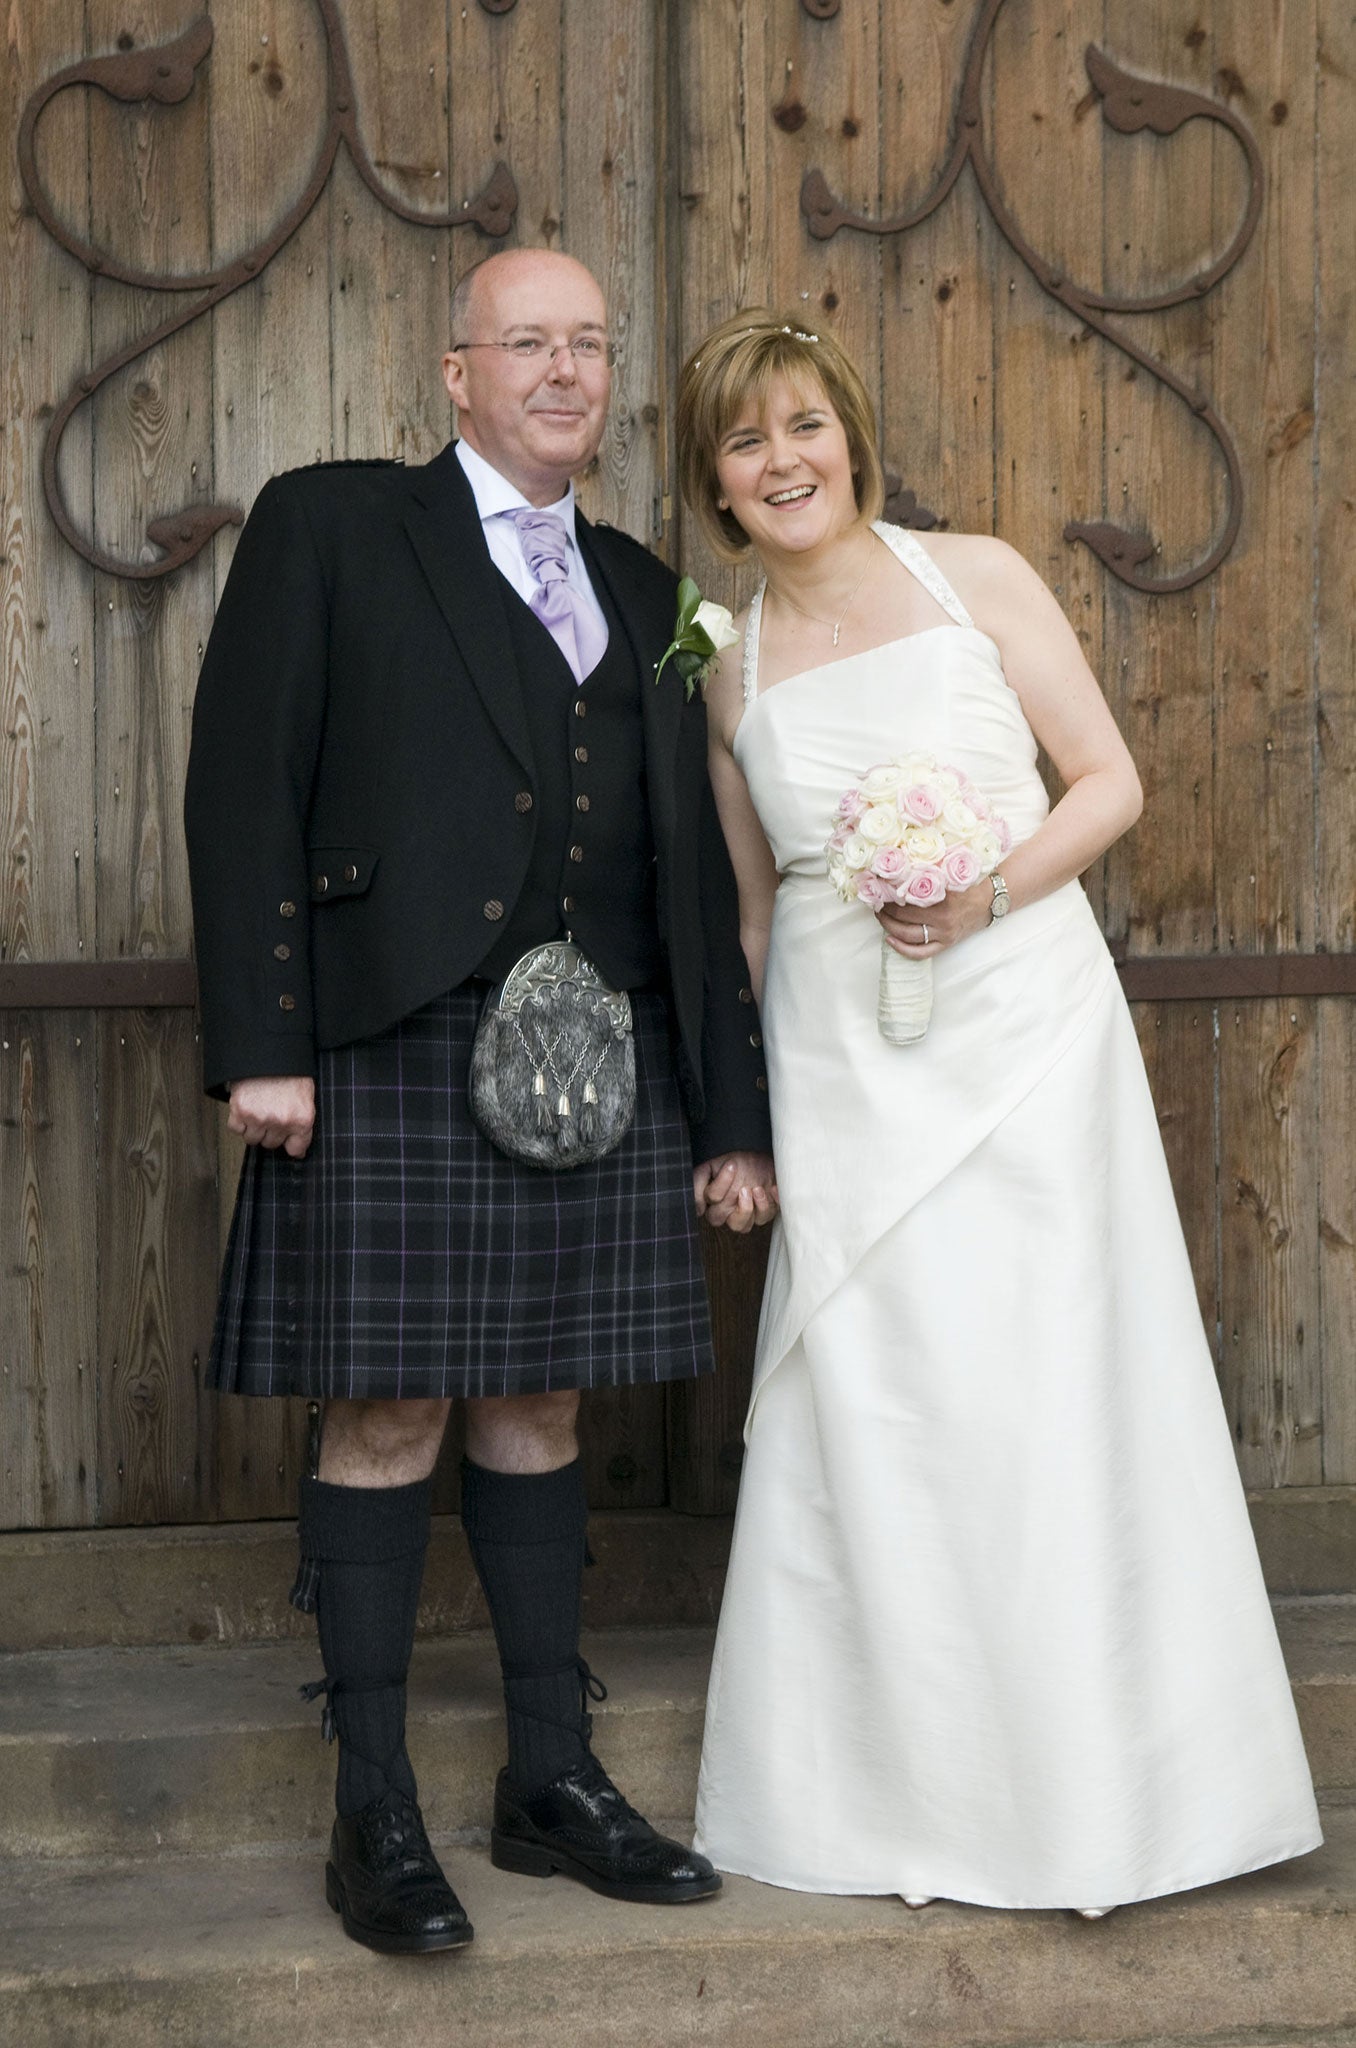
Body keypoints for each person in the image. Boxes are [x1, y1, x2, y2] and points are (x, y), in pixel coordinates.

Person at [675, 310, 1321, 1914]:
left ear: (852, 436)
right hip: (842, 1058)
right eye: (749, 443)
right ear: (716, 484)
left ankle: (1103, 1794)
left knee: (1045, 1385)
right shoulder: (729, 665)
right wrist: (744, 1115)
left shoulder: (981, 577)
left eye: (807, 426)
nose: (785, 461)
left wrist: (980, 896)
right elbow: (755, 915)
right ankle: (894, 1788)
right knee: (883, 1404)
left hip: (1026, 1032)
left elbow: (1107, 783)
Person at [183, 250, 776, 1956]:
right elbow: (245, 785)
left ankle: (549, 1777)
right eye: (529, 342)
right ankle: (373, 1805)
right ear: (457, 372)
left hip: (603, 1069)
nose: (565, 370)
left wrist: (726, 1111)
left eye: (592, 343)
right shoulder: (334, 525)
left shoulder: (650, 580)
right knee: (383, 1417)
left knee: (539, 1408)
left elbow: (688, 882)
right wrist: (263, 1039)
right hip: (385, 1044)